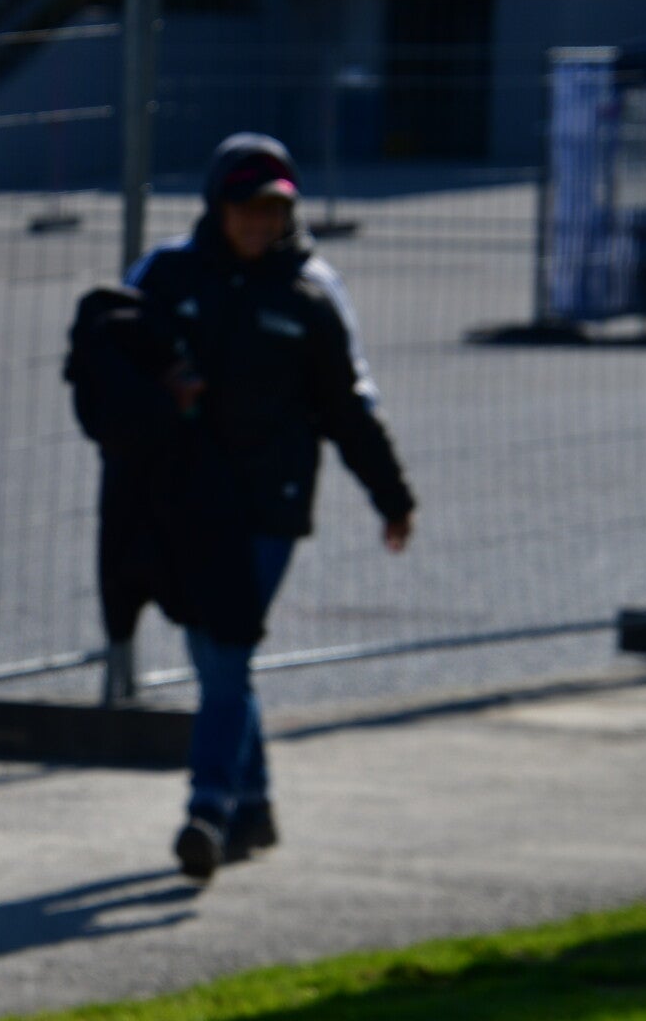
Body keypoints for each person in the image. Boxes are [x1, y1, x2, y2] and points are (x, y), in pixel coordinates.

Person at [122, 132, 417, 882]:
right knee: (216, 656)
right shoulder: (166, 274)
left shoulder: (311, 292)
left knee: (227, 651)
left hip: (269, 508)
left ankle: (208, 809)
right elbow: (114, 360)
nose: (259, 221)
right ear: (217, 206)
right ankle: (255, 805)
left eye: (273, 209)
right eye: (246, 207)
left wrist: (391, 496)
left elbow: (347, 406)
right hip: (188, 502)